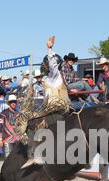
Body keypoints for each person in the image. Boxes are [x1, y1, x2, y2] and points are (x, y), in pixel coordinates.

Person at [18, 36, 72, 168]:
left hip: (58, 109)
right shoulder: (49, 79)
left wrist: (49, 49)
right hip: (52, 108)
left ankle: (34, 155)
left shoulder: (55, 76)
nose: (45, 65)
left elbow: (53, 65)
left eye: (46, 62)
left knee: (32, 123)